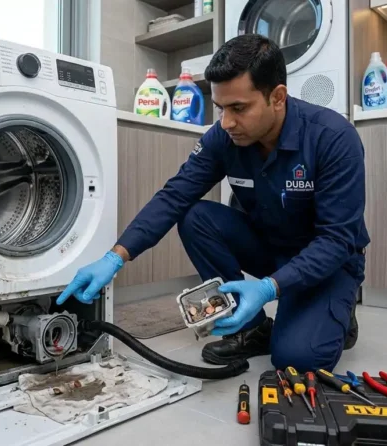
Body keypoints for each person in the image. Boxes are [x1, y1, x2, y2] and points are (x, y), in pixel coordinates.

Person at [56, 34, 369, 373]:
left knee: (297, 359)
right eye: (221, 108)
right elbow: (175, 196)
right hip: (271, 247)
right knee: (195, 215)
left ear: (277, 97)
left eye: (239, 108)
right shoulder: (224, 137)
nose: (226, 122)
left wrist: (269, 287)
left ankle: (338, 309)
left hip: (328, 261)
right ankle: (252, 328)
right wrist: (115, 257)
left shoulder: (333, 137)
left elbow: (337, 241)